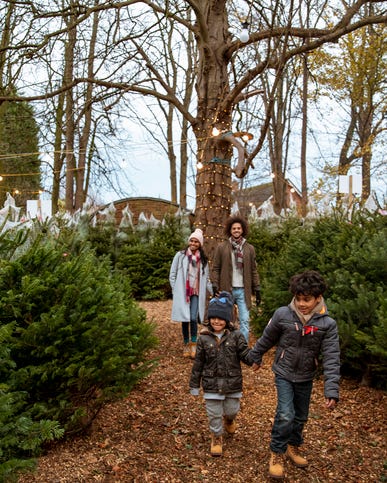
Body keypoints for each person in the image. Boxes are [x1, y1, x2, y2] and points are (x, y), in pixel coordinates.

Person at [247, 270, 340, 480]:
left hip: (306, 375)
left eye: (306, 299)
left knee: (300, 417)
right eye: (298, 298)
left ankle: (293, 445)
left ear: (318, 298)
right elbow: (267, 337)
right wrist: (256, 356)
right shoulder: (283, 314)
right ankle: (277, 452)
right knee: (286, 414)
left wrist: (331, 389)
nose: (301, 304)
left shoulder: (327, 324)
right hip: (284, 372)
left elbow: (332, 357)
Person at [189, 291, 252, 457]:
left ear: (228, 319)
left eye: (220, 318)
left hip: (232, 382)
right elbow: (198, 364)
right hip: (211, 383)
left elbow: (245, 354)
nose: (216, 321)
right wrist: (194, 384)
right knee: (214, 414)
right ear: (209, 319)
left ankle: (229, 420)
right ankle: (216, 436)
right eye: (213, 317)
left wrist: (254, 359)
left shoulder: (237, 336)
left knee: (232, 409)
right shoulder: (203, 339)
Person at [211, 215, 260, 344]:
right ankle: (226, 345)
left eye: (239, 228)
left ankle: (242, 347)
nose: (236, 230)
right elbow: (216, 268)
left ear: (242, 230)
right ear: (230, 230)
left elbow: (254, 270)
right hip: (227, 289)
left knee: (244, 320)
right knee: (226, 319)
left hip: (243, 290)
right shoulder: (222, 247)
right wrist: (215, 284)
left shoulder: (249, 248)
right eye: (234, 228)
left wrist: (257, 287)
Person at [169, 228, 212, 359]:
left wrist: (213, 291)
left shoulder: (203, 260)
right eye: (191, 241)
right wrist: (175, 290)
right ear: (189, 241)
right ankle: (186, 344)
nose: (193, 243)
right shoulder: (180, 255)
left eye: (196, 242)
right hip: (183, 292)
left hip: (196, 293)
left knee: (193, 317)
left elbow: (207, 278)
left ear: (200, 244)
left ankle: (194, 344)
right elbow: (172, 274)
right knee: (185, 318)